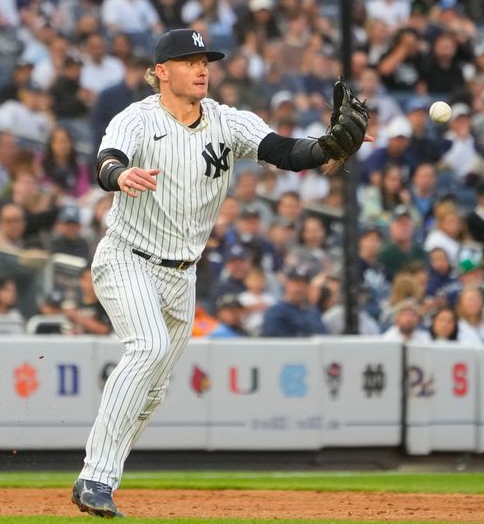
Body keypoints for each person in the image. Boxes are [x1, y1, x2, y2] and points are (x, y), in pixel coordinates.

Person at [72, 29, 369, 517]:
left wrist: (327, 145)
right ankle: (95, 480)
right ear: (162, 72)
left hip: (182, 275)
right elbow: (109, 158)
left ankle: (99, 479)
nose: (202, 67)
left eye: (205, 59)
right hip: (128, 257)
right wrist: (117, 175)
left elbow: (285, 152)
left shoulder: (227, 122)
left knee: (154, 389)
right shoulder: (137, 119)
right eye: (189, 60)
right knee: (147, 347)